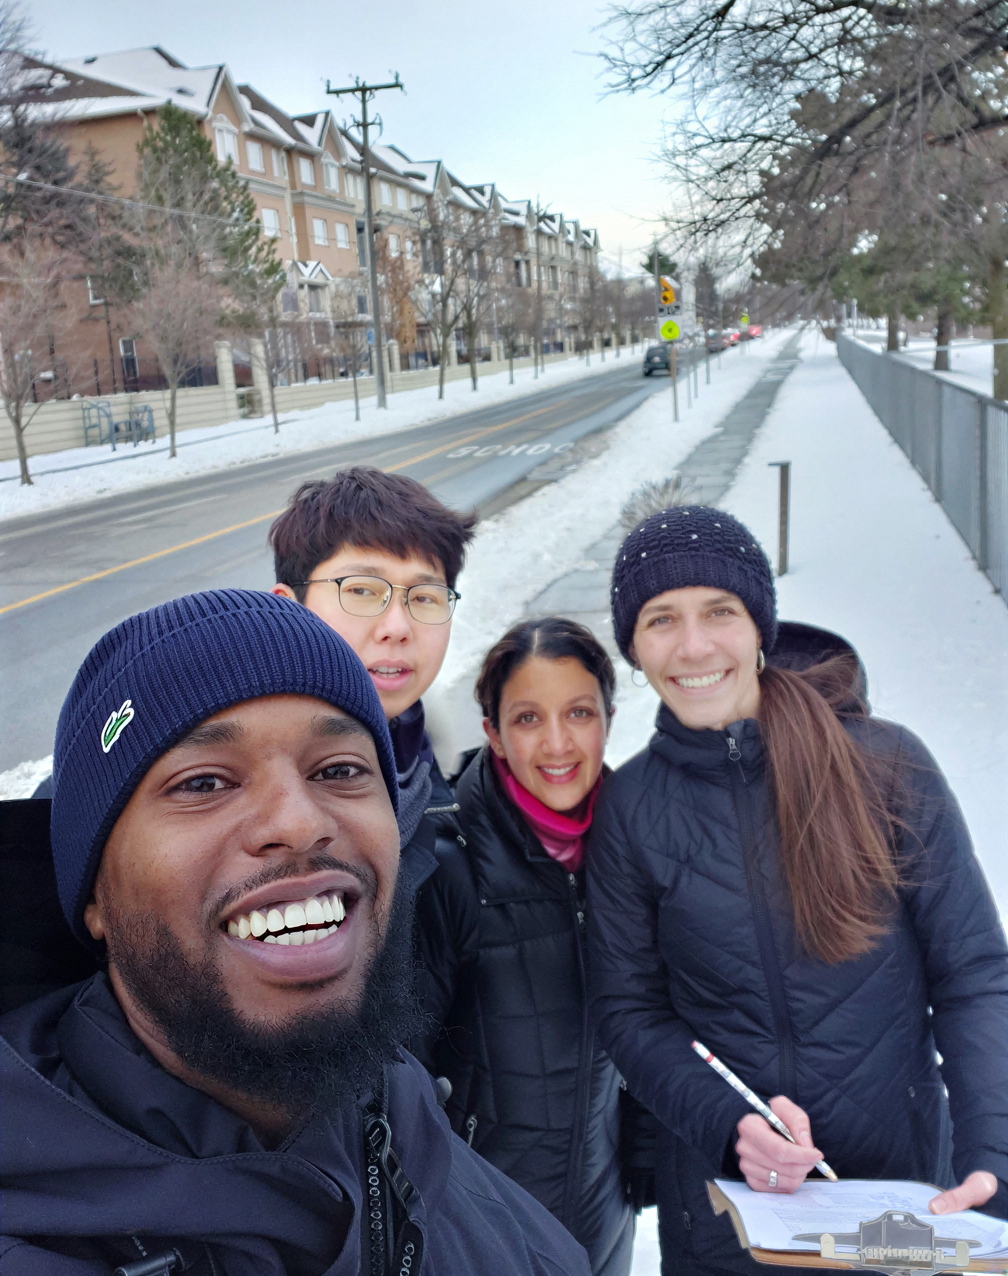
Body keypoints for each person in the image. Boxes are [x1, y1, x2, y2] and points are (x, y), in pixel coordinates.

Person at [0, 589, 590, 1276]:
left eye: (339, 770)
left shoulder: (405, 1118)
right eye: (203, 783)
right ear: (94, 893)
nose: (299, 821)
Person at [586, 505, 1008, 1276]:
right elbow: (629, 1010)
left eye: (721, 611)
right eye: (660, 620)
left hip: (906, 1195)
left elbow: (974, 974)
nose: (694, 646)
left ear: (760, 627)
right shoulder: (631, 809)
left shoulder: (886, 768)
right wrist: (728, 1124)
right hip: (730, 1220)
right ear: (634, 648)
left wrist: (994, 1150)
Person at [414, 617, 655, 1276]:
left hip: (604, 1216)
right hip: (485, 1232)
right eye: (526, 719)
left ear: (607, 717)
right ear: (491, 732)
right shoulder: (448, 864)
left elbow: (657, 1018)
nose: (557, 743)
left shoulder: (636, 848)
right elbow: (399, 1076)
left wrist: (645, 1142)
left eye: (579, 712)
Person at [269, 467, 477, 895]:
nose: (398, 627)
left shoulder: (427, 775)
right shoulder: (232, 799)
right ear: (287, 609)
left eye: (423, 597)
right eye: (361, 590)